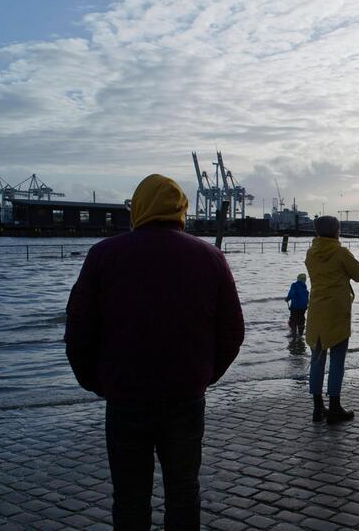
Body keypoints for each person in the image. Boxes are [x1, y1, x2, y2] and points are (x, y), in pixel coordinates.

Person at [65, 174, 245, 529]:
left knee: (130, 496)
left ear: (139, 207)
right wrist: (203, 376)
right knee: (183, 491)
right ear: (181, 209)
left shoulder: (103, 255)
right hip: (185, 397)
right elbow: (233, 331)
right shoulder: (210, 257)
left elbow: (79, 331)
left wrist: (98, 382)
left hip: (126, 397)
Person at [305, 215, 359, 423]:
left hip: (315, 312)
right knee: (337, 362)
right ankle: (334, 407)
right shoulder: (340, 252)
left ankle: (316, 407)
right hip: (337, 313)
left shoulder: (310, 253)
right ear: (336, 231)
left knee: (316, 361)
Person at [285, 273, 309, 339]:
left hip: (295, 307)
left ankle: (293, 332)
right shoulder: (305, 288)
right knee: (301, 319)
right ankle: (300, 333)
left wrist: (288, 298)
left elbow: (291, 293)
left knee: (293, 319)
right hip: (303, 308)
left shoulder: (294, 285)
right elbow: (306, 298)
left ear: (298, 279)